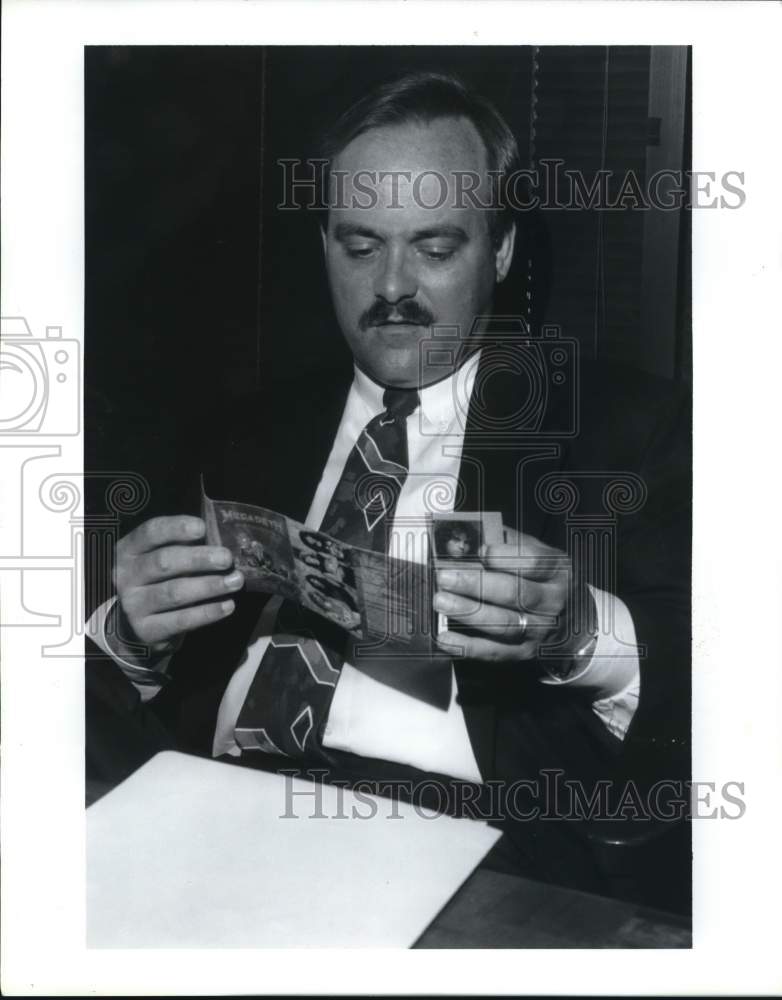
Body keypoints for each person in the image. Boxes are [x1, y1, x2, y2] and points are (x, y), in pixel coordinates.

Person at [88, 72, 690, 909]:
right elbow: (92, 706)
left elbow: (722, 689)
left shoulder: (622, 431)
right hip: (208, 814)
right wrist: (129, 635)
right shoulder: (245, 433)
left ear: (503, 251)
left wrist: (582, 632)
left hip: (467, 841)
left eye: (436, 249)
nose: (393, 287)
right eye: (361, 246)